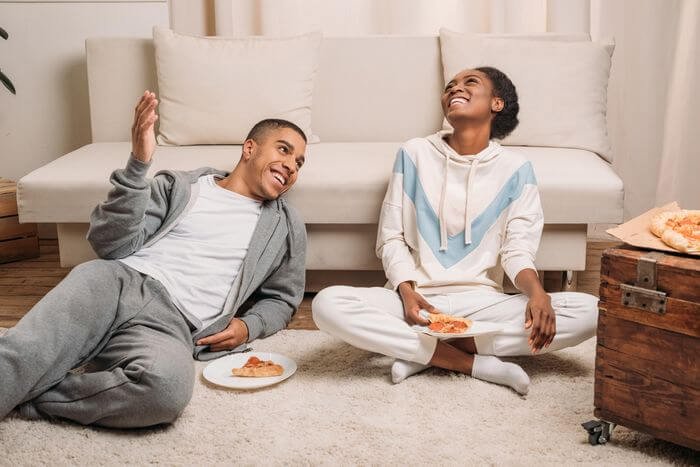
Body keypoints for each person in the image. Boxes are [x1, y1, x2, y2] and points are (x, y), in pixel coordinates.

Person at [0, 91, 308, 426]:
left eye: (299, 163)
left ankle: (31, 394)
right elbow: (111, 245)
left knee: (165, 392)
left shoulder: (286, 227)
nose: (291, 165)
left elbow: (282, 298)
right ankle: (22, 374)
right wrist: (138, 165)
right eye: (284, 149)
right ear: (250, 148)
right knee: (26, 353)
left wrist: (249, 326)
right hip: (115, 282)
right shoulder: (182, 186)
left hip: (172, 324)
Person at [312, 67, 598, 395]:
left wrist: (537, 294)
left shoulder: (516, 169)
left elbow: (517, 249)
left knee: (592, 311)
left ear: (496, 103)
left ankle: (423, 351)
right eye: (450, 86)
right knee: (327, 304)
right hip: (415, 301)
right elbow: (391, 237)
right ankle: (469, 362)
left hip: (482, 301)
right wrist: (407, 292)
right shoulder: (414, 153)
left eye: (469, 83)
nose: (454, 89)